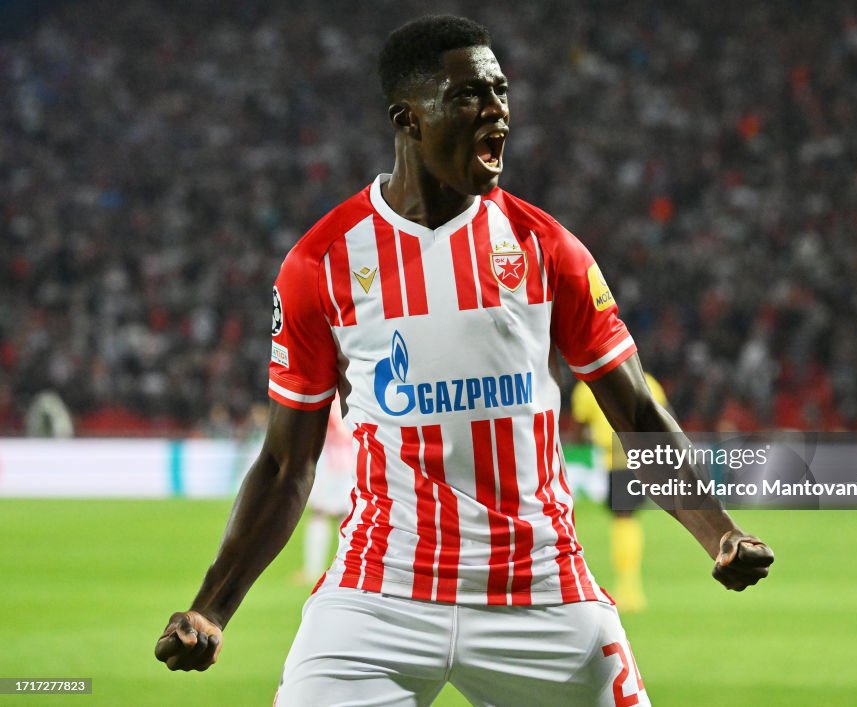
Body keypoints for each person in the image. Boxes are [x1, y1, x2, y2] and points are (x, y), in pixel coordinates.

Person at [155, 15, 774, 705]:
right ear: (408, 119)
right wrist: (212, 606)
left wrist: (719, 531)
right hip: (379, 594)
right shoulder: (321, 264)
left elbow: (637, 413)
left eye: (501, 91)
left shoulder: (545, 248)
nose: (496, 110)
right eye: (469, 95)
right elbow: (283, 462)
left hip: (539, 588)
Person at [571, 373, 669, 612]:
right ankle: (629, 586)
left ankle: (629, 589)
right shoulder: (648, 381)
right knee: (627, 517)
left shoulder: (588, 385)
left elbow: (579, 430)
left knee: (623, 518)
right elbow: (662, 422)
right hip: (642, 458)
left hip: (617, 457)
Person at [298, 397, 355, 584]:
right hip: (350, 463)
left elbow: (339, 429)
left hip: (338, 465)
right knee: (345, 517)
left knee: (321, 515)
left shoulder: (334, 397)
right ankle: (348, 567)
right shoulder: (353, 389)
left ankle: (314, 570)